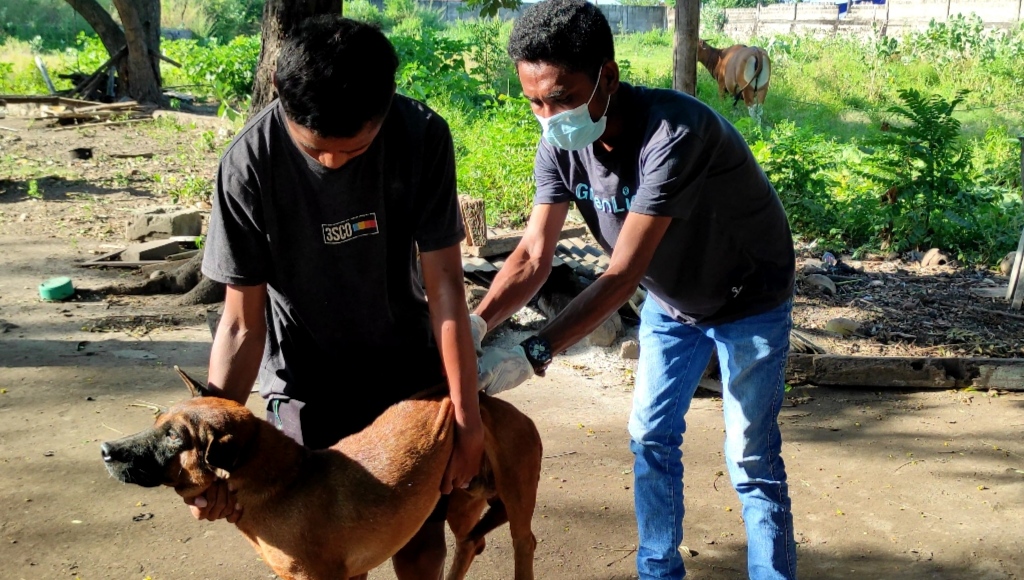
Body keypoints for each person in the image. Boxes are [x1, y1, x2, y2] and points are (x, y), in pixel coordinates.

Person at [467, 0, 798, 578]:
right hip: (673, 301)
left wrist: (535, 352)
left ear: (608, 75)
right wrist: (476, 324)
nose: (549, 116)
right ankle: (657, 570)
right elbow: (531, 256)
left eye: (563, 98)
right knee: (650, 437)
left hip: (750, 299)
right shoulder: (559, 144)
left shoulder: (675, 133)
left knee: (750, 458)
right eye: (535, 102)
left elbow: (620, 275)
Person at [188, 14, 484, 579]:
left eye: (354, 151)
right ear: (279, 92)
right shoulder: (247, 166)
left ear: (387, 106)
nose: (331, 164)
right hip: (304, 388)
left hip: (404, 384)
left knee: (418, 545)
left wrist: (466, 418)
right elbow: (240, 325)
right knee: (326, 559)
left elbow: (446, 287)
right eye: (316, 149)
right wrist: (210, 457)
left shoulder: (421, 136)